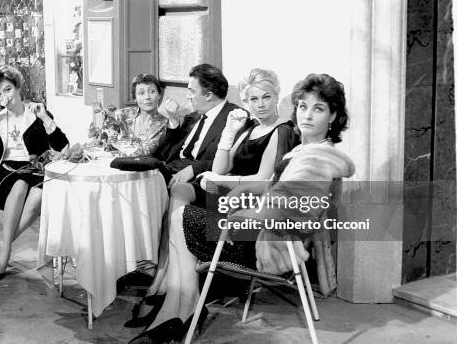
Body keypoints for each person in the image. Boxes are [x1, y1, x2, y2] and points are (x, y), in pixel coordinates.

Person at [128, 73, 355, 343]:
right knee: (182, 215)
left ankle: (183, 309)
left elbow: (291, 212)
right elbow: (273, 187)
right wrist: (242, 190)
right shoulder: (307, 150)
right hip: (256, 231)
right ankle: (180, 310)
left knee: (181, 218)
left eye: (318, 109)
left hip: (263, 244)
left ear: (332, 116)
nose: (307, 115)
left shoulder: (317, 159)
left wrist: (238, 211)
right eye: (303, 107)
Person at [127, 68, 298, 328]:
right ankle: (178, 299)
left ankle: (179, 301)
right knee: (179, 207)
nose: (260, 104)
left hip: (245, 215)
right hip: (228, 199)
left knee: (179, 217)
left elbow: (264, 182)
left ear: (277, 96)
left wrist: (222, 181)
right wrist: (230, 135)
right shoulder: (249, 129)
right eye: (253, 99)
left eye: (266, 97)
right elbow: (219, 167)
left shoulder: (281, 131)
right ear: (246, 101)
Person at [0, 66, 69, 282]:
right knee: (21, 183)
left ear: (18, 86)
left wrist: (45, 118)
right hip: (3, 175)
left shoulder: (36, 113)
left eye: (7, 89)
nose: (4, 97)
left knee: (39, 194)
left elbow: (63, 146)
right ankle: (4, 254)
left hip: (36, 171)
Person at [153, 63, 239, 190]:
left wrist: (193, 169)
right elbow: (164, 154)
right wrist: (174, 120)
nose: (188, 96)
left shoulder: (234, 118)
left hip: (199, 178)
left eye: (191, 91)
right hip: (169, 168)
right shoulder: (193, 116)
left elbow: (230, 161)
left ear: (209, 95)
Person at [114, 74, 168, 156]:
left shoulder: (163, 123)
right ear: (135, 98)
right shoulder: (122, 115)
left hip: (144, 165)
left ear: (159, 95)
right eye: (141, 93)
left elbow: (147, 150)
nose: (147, 97)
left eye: (152, 91)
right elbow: (109, 140)